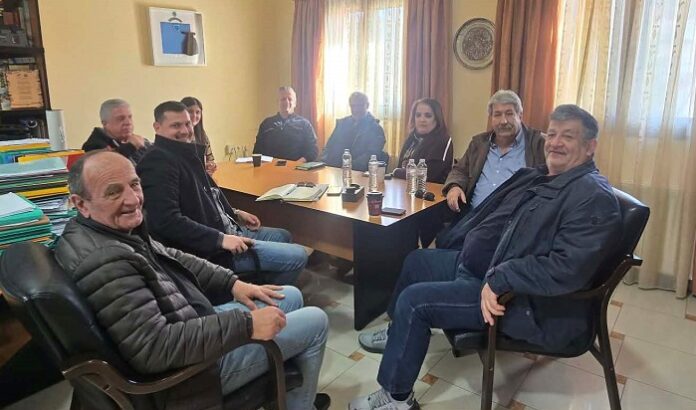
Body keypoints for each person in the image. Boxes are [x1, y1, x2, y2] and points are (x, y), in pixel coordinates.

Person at [350, 105, 622, 410]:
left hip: (517, 299)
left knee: (414, 302)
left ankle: (397, 398)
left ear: (590, 146)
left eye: (568, 136)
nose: (555, 143)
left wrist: (501, 277)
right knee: (417, 260)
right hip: (484, 268)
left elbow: (567, 268)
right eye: (553, 134)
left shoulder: (592, 197)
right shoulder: (544, 176)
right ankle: (397, 335)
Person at [55, 150, 330, 410]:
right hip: (192, 376)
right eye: (114, 192)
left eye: (134, 185)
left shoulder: (104, 232)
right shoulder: (106, 260)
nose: (133, 199)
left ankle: (284, 396)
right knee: (316, 320)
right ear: (81, 203)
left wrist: (233, 283)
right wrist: (247, 325)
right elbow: (155, 348)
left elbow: (173, 256)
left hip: (192, 329)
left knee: (289, 295)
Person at [136, 101, 308, 286]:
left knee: (283, 235)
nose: (185, 130)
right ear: (157, 127)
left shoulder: (185, 154)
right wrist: (220, 239)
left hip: (228, 229)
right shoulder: (158, 162)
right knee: (299, 255)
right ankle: (258, 294)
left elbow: (208, 198)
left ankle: (261, 283)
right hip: (212, 250)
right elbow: (166, 221)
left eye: (187, 124)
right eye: (176, 125)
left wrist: (235, 213)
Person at [442, 89, 545, 213]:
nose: (503, 121)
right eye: (497, 114)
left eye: (509, 114)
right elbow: (460, 170)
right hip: (473, 216)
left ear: (520, 115)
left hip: (513, 220)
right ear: (491, 118)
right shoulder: (479, 143)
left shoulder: (538, 144)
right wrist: (455, 187)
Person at [319, 91, 387, 171]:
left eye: (360, 105)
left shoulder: (375, 129)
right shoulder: (342, 124)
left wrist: (348, 167)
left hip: (359, 172)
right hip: (335, 170)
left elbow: (371, 155)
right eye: (353, 106)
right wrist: (323, 163)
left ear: (367, 105)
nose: (356, 109)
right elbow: (329, 147)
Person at [392, 98, 453, 184]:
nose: (422, 120)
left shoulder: (443, 140)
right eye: (418, 115)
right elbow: (400, 166)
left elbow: (430, 175)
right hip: (404, 186)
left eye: (428, 116)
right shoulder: (411, 138)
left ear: (437, 119)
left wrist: (397, 172)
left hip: (430, 189)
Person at [253, 86, 319, 162]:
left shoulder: (305, 124)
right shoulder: (266, 124)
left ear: (295, 103)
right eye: (283, 99)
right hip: (270, 167)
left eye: (290, 99)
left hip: (296, 167)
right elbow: (257, 152)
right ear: (277, 102)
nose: (286, 102)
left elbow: (313, 150)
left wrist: (296, 164)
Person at [82, 98, 152, 164]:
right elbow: (107, 166)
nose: (128, 122)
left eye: (130, 117)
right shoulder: (93, 146)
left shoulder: (138, 141)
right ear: (105, 123)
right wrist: (131, 147)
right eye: (121, 118)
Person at [182, 96, 217, 174]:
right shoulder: (177, 136)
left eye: (198, 112)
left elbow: (209, 159)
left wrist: (210, 166)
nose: (194, 116)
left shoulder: (202, 135)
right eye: (190, 111)